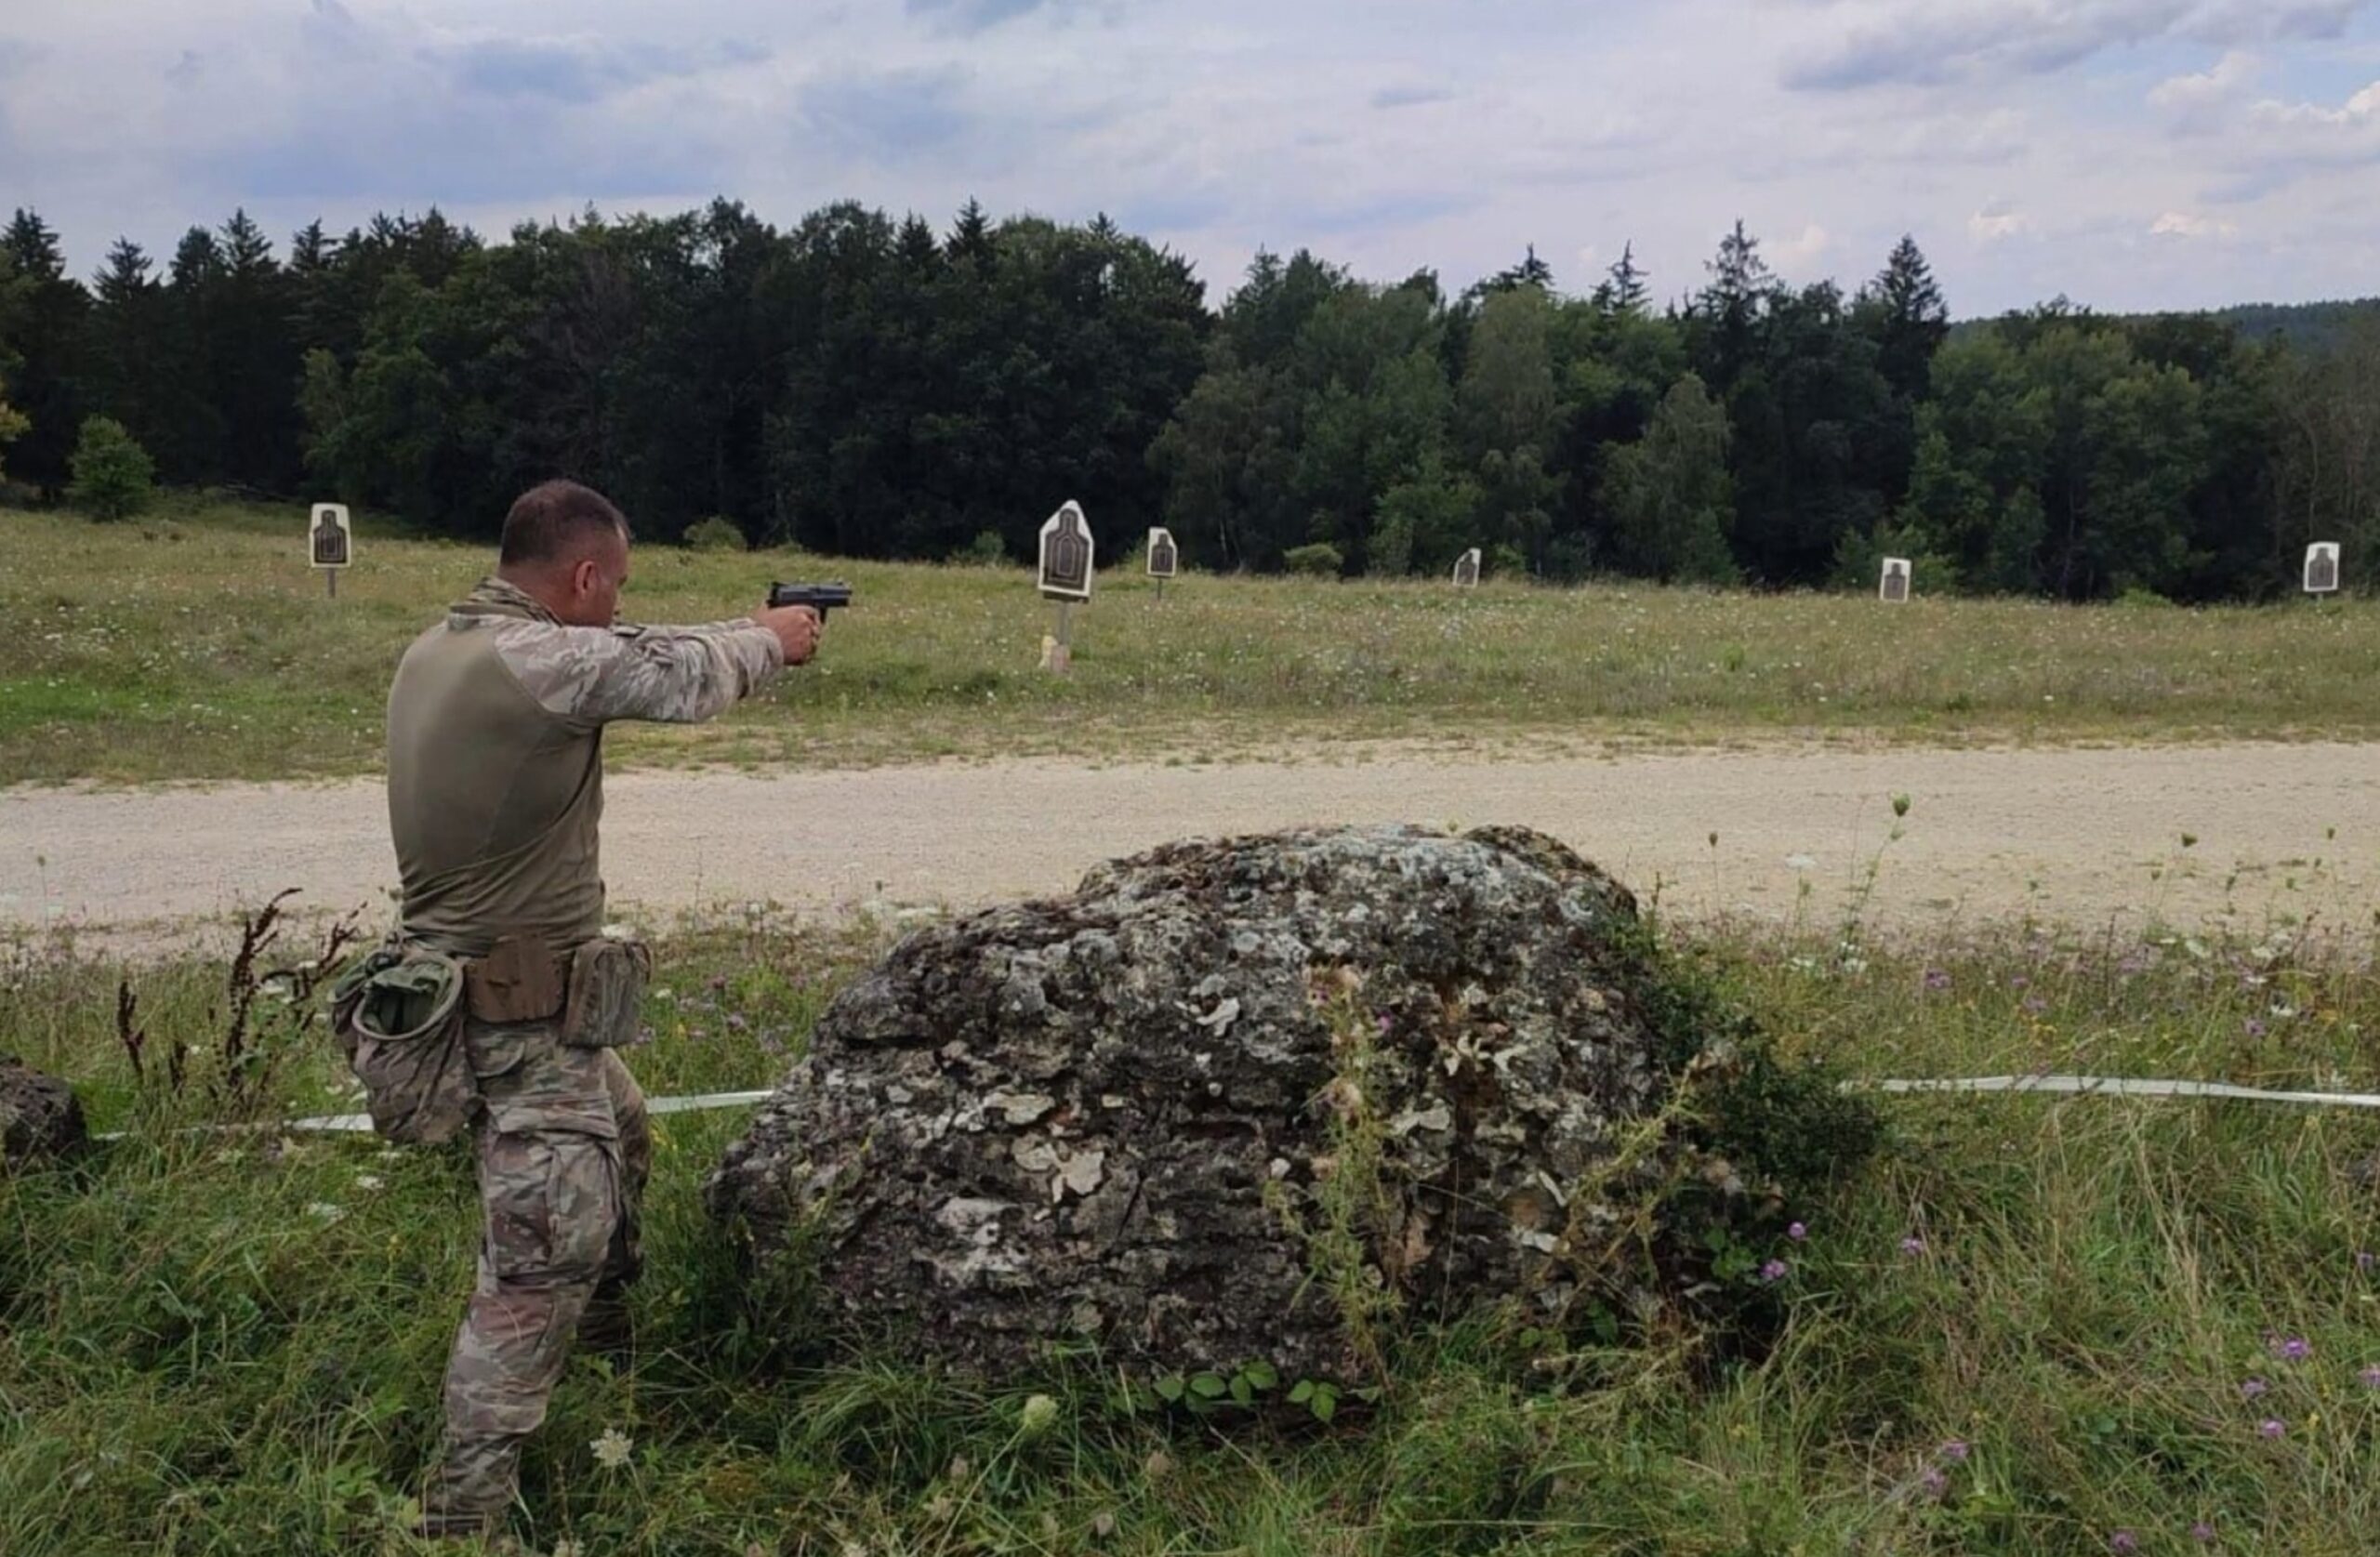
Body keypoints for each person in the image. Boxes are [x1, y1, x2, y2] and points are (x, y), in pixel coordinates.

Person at [384, 479, 821, 1538]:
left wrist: (742, 623)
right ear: (581, 575)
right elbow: (678, 676)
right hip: (515, 1018)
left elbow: (632, 645)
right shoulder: (544, 661)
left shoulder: (450, 644)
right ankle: (459, 1517)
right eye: (612, 585)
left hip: (496, 1005)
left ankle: (613, 1368)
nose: (619, 604)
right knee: (538, 1260)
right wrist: (772, 641)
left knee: (623, 1139)